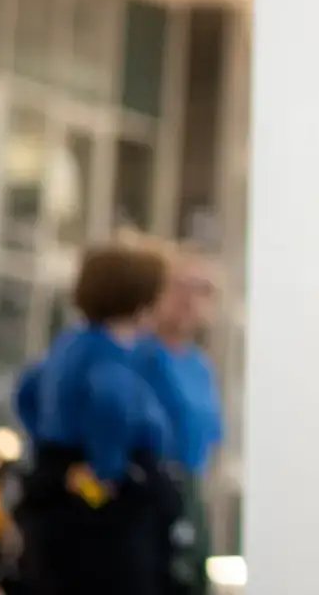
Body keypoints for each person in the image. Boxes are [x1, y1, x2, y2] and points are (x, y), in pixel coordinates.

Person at [12, 242, 180, 595]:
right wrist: (107, 469)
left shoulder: (70, 343)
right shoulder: (113, 355)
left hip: (57, 486)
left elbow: (26, 391)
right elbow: (111, 406)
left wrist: (43, 439)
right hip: (107, 516)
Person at [134, 246, 223, 595]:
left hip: (189, 491)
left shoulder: (200, 367)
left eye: (202, 290)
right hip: (148, 492)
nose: (189, 301)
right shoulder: (137, 356)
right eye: (180, 287)